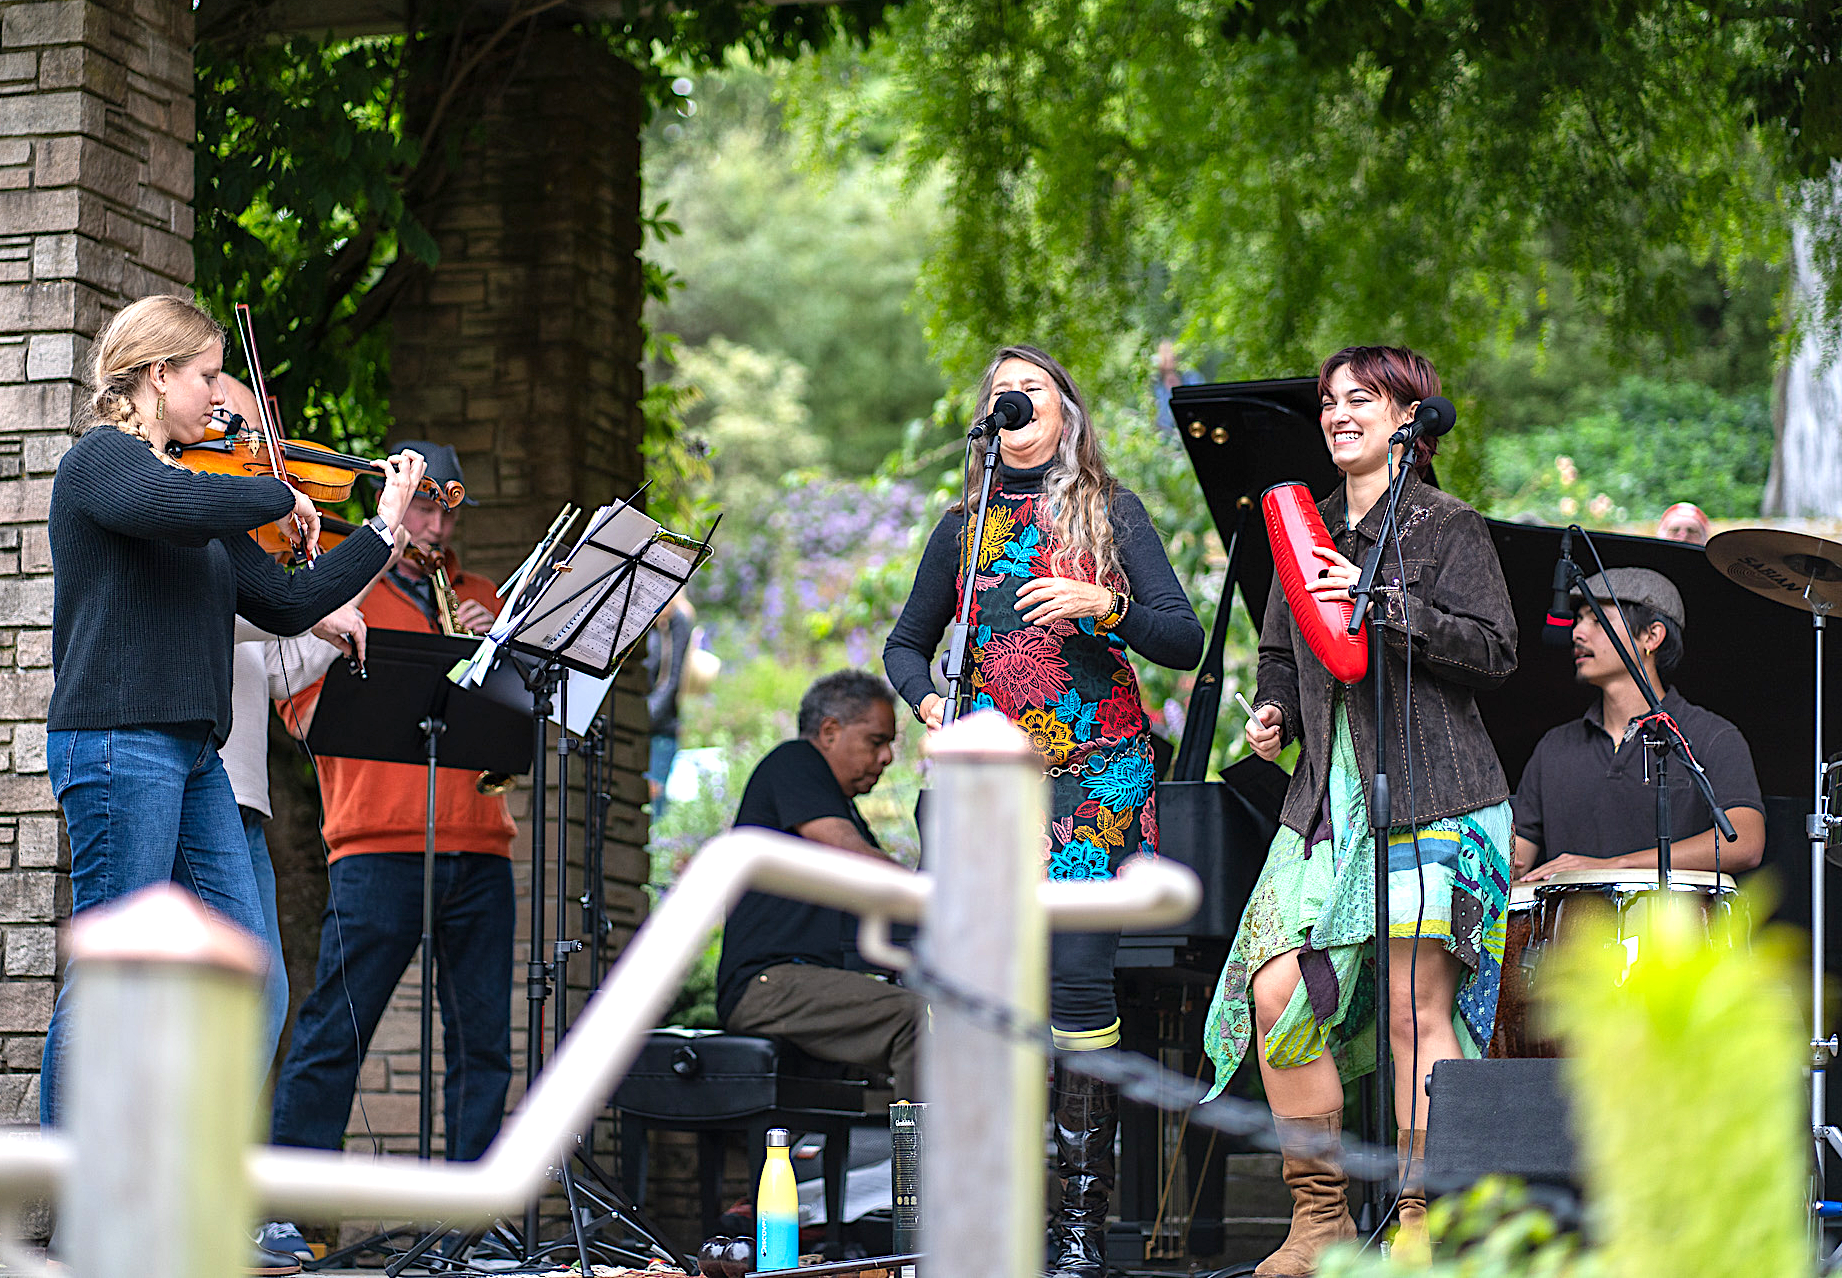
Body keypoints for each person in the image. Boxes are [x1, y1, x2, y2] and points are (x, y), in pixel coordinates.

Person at [41, 295, 417, 1127]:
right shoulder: (102, 462)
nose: (220, 396)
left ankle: (178, 1169)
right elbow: (173, 509)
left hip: (192, 754)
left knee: (250, 977)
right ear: (157, 374)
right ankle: (68, 1193)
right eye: (207, 376)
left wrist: (381, 533)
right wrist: (275, 494)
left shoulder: (204, 490)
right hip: (118, 742)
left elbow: (288, 603)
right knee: (112, 975)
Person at [883, 345, 1202, 1278]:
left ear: (1066, 411)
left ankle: (1078, 1230)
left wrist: (1107, 604)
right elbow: (906, 646)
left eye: (1032, 389)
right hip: (990, 787)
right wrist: (929, 703)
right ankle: (982, 1214)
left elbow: (1183, 638)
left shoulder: (1112, 512)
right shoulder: (961, 526)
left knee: (1077, 988)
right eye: (1001, 394)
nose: (1014, 402)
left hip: (1096, 777)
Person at [1199, 346, 1519, 1274]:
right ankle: (1321, 1220)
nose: (1339, 414)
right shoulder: (1300, 526)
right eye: (1330, 401)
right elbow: (1278, 652)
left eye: (1362, 398)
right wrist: (1274, 711)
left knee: (1414, 1005)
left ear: (1408, 418)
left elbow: (1496, 651)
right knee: (1275, 991)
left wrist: (1383, 604)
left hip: (1439, 795)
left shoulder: (1447, 526)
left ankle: (1422, 1221)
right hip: (1324, 803)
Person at [257, 443, 511, 1263]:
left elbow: (512, 730)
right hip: (376, 843)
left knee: (484, 1044)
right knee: (335, 1032)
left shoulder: (480, 596)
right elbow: (298, 708)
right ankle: (286, 1218)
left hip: (481, 843)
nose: (435, 527)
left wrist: (498, 650)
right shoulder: (344, 581)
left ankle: (474, 1229)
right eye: (423, 506)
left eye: (446, 512)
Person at [714, 671, 923, 1101]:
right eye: (876, 741)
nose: (886, 757)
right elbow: (852, 856)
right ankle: (918, 1148)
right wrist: (938, 898)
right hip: (766, 984)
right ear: (830, 731)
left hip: (802, 979)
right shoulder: (795, 761)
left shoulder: (837, 804)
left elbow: (873, 901)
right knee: (917, 1020)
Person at [1513, 567, 1765, 881]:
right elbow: (1517, 858)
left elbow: (1745, 843)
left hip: (1672, 915)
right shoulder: (1554, 747)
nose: (1577, 633)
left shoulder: (1712, 736)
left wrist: (1616, 867)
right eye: (1579, 620)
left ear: (1651, 636)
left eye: (1597, 620)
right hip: (1568, 916)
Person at [643, 594, 694, 817]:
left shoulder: (675, 620)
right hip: (633, 727)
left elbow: (671, 680)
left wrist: (644, 717)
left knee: (654, 808)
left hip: (659, 729)